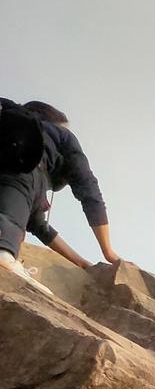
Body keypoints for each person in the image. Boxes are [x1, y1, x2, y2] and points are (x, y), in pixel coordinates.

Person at [0, 99, 119, 276]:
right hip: (21, 174)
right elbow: (88, 188)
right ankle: (4, 254)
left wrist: (82, 263)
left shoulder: (31, 198)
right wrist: (108, 252)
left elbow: (41, 228)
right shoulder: (57, 138)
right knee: (5, 247)